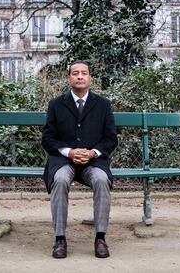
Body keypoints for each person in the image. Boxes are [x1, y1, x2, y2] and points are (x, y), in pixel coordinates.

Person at [41, 61, 118, 258]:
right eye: (76, 73)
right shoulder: (56, 104)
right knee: (59, 180)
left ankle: (100, 238)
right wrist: (69, 152)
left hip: (93, 162)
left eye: (84, 73)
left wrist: (93, 153)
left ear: (90, 77)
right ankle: (60, 239)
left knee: (101, 180)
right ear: (70, 78)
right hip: (64, 161)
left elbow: (111, 139)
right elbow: (47, 138)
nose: (80, 76)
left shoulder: (103, 105)